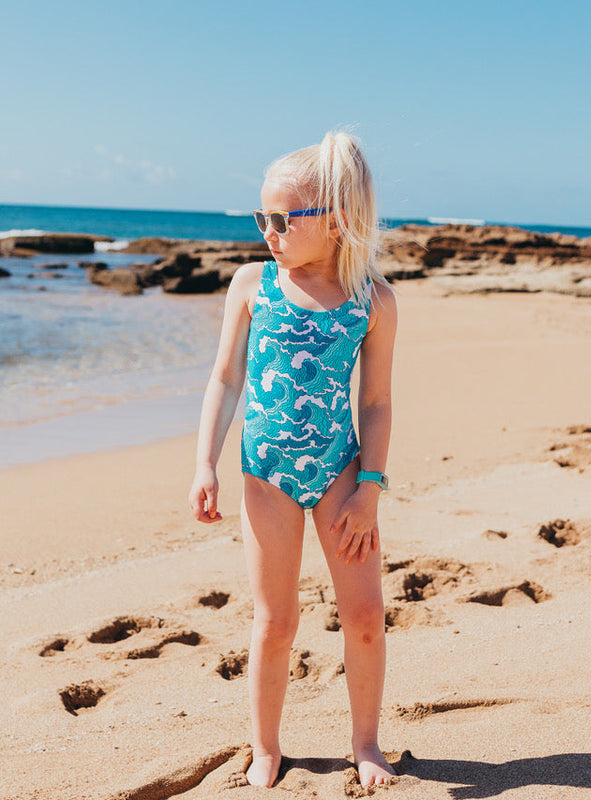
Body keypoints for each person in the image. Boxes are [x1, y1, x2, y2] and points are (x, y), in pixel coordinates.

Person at [188, 131, 398, 788]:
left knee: (364, 617)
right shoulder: (254, 285)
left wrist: (369, 487)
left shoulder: (373, 300)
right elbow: (225, 380)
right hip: (266, 476)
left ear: (335, 222)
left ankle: (365, 744)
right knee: (275, 620)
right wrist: (205, 464)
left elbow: (378, 403)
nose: (268, 232)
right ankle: (265, 747)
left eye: (284, 219)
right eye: (262, 218)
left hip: (341, 475)